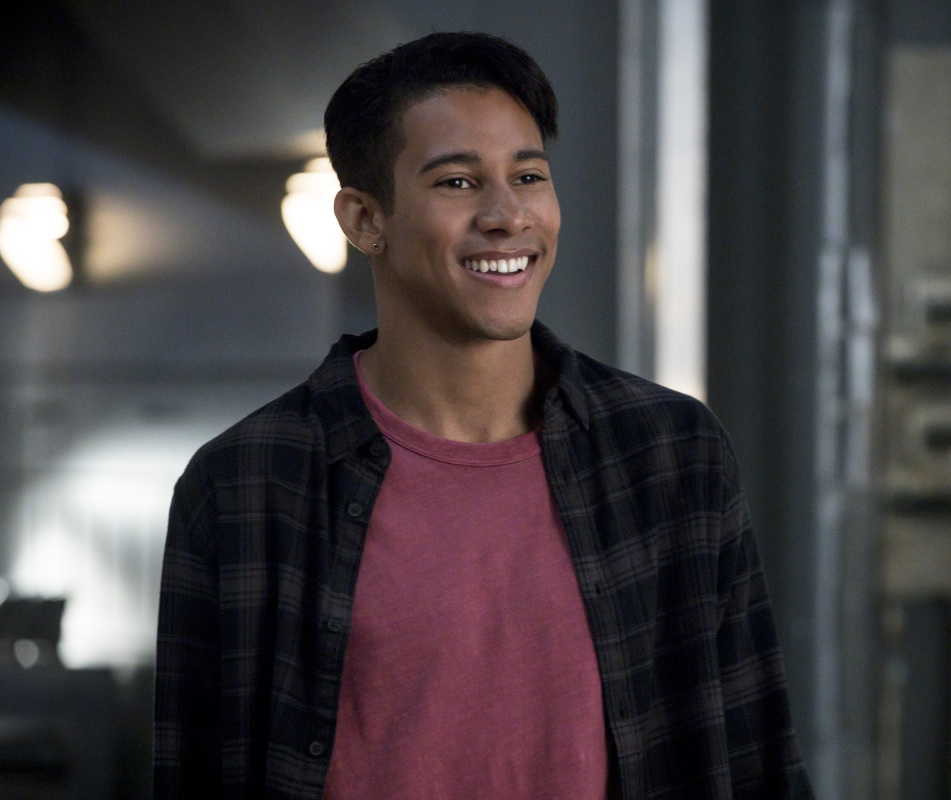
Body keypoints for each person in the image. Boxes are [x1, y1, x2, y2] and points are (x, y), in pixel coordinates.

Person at [154, 31, 812, 800]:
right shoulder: (244, 486)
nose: (506, 215)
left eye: (528, 176)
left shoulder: (670, 456)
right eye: (458, 182)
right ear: (364, 219)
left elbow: (760, 759)